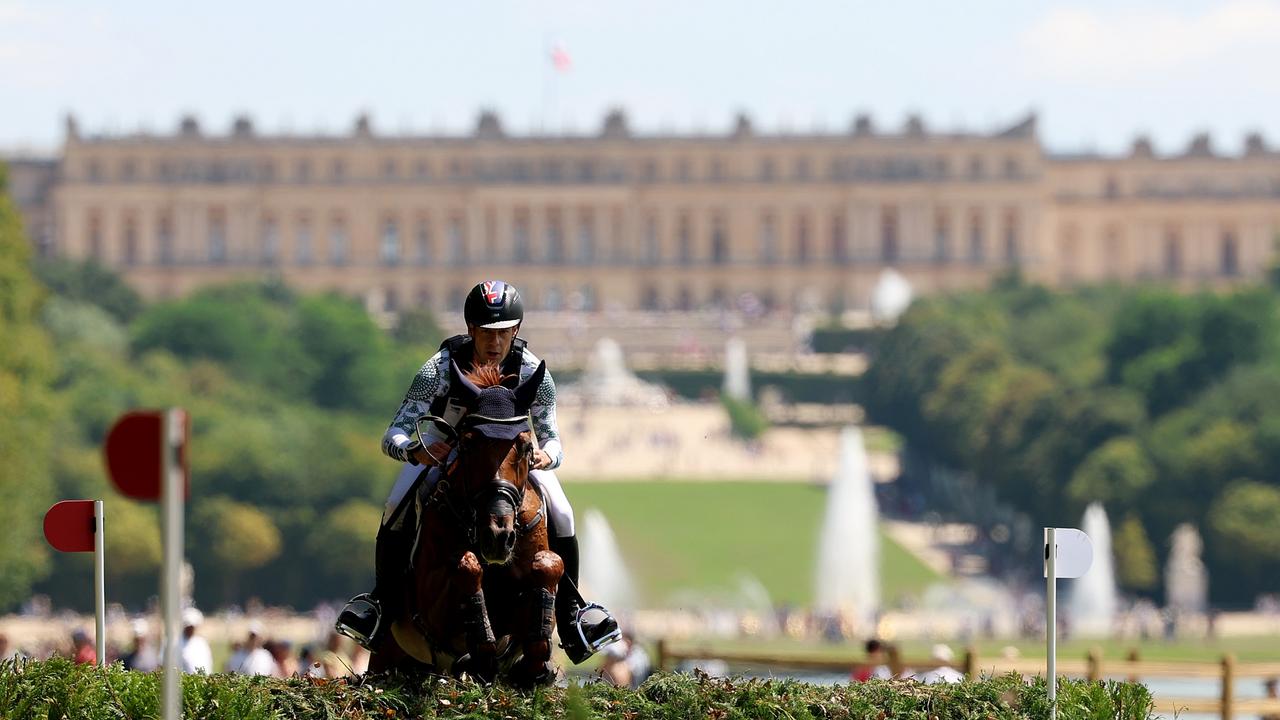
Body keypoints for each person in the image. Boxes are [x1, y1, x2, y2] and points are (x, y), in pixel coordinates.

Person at [335, 280, 618, 664]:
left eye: (503, 333)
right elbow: (393, 433)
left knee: (563, 511)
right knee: (394, 504)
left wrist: (544, 457)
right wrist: (414, 451)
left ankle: (572, 614)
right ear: (471, 329)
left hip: (512, 460)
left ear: (516, 331)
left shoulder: (534, 370)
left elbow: (552, 437)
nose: (494, 342)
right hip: (444, 450)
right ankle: (380, 604)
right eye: (486, 332)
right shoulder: (437, 369)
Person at [179, 608, 213, 674]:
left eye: (192, 627)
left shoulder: (201, 643)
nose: (190, 629)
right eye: (189, 627)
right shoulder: (176, 643)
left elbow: (207, 665)